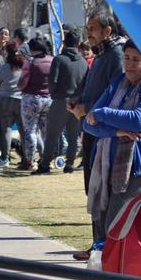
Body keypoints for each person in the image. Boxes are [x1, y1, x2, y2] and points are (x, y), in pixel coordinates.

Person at [82, 40, 141, 268]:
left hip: (133, 173)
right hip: (104, 170)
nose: (129, 64)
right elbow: (88, 123)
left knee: (118, 232)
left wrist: (102, 113)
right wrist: (118, 130)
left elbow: (140, 120)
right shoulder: (118, 83)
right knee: (102, 236)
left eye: (136, 59)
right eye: (126, 58)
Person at [69, 7, 125, 258]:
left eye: (92, 29)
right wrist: (77, 101)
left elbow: (117, 98)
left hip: (106, 134)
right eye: (88, 28)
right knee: (93, 190)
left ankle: (105, 246)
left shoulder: (117, 56)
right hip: (91, 131)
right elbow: (93, 89)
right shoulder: (101, 56)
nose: (88, 33)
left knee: (104, 191)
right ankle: (98, 245)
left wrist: (87, 108)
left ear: (107, 30)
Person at [37, 29, 88, 175]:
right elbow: (86, 83)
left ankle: (45, 164)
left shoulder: (59, 59)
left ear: (64, 43)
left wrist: (55, 96)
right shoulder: (83, 62)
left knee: (52, 135)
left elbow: (52, 81)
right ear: (78, 44)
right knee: (73, 137)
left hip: (61, 100)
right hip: (78, 102)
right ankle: (70, 164)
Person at [17, 37, 53, 171]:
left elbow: (23, 82)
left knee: (30, 130)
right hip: (49, 99)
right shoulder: (52, 60)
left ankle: (29, 161)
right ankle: (46, 159)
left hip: (31, 98)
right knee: (45, 131)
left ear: (31, 49)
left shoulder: (30, 62)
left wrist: (19, 87)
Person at [0, 42, 24, 166]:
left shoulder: (3, 67)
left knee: (6, 129)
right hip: (21, 99)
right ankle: (27, 157)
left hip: (4, 99)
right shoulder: (24, 66)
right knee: (24, 130)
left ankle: (5, 157)